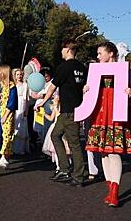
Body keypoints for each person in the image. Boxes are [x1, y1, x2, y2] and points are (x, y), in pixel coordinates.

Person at [84, 41, 131, 206]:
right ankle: (110, 189)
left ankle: (115, 191)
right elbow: (91, 91)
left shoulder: (124, 69)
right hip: (99, 112)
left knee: (114, 152)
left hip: (115, 111)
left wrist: (130, 93)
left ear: (111, 53)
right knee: (104, 152)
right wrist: (86, 89)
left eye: (100, 53)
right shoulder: (95, 71)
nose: (98, 56)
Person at [38, 39, 87, 186]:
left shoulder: (64, 67)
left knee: (74, 144)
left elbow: (52, 87)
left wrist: (42, 101)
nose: (60, 52)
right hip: (70, 110)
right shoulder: (82, 67)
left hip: (69, 111)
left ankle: (78, 176)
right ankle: (64, 169)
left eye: (62, 49)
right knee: (55, 135)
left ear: (67, 49)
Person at [0, 65, 18, 168]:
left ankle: (4, 156)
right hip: (0, 111)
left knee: (7, 134)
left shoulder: (12, 86)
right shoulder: (1, 86)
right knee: (2, 134)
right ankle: (5, 156)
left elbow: (12, 102)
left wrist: (5, 115)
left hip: (7, 113)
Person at [13, 68, 30, 155]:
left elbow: (27, 99)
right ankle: (13, 148)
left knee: (21, 126)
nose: (19, 76)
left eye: (20, 74)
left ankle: (20, 148)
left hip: (21, 105)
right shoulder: (12, 85)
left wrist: (26, 110)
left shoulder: (25, 85)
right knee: (14, 126)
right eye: (17, 74)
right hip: (14, 105)